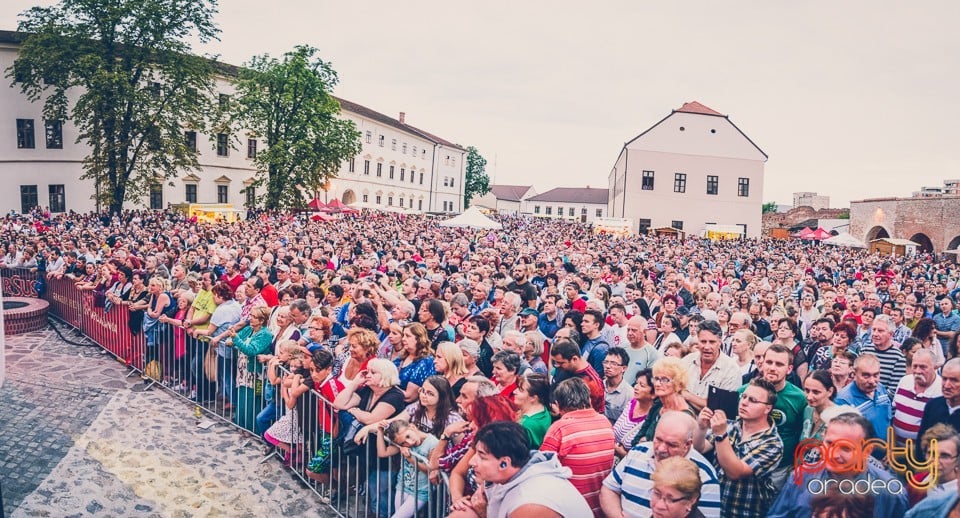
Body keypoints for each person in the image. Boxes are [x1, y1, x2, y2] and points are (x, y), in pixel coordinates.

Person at [767, 413, 907, 518]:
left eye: (845, 448)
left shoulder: (891, 491)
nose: (834, 454)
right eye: (829, 444)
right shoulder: (800, 477)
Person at [448, 421, 592, 518]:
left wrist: (486, 514)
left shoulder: (530, 503)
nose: (472, 462)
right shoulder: (504, 475)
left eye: (482, 456)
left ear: (504, 463)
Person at [601, 411, 722, 518]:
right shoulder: (638, 452)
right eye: (658, 439)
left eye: (671, 444)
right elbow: (609, 489)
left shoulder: (705, 476)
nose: (661, 448)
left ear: (688, 445)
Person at [695, 378, 784, 518]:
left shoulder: (772, 443)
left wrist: (720, 435)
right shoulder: (731, 425)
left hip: (744, 512)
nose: (744, 402)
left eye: (753, 400)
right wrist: (701, 428)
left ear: (768, 408)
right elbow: (699, 448)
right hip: (714, 507)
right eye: (744, 397)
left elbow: (735, 472)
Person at [541, 377, 615, 517]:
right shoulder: (605, 422)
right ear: (588, 399)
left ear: (557, 404)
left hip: (571, 508)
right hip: (600, 505)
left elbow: (543, 470)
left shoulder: (559, 428)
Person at [742, 343, 807, 489]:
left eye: (779, 364)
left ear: (789, 369)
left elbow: (801, 433)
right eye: (769, 362)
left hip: (781, 470)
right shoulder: (744, 393)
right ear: (762, 363)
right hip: (745, 464)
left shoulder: (799, 398)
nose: (772, 367)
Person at [376, 418, 439, 518]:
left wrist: (410, 458)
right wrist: (380, 431)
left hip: (421, 492)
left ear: (412, 427)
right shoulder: (403, 443)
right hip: (403, 485)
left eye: (408, 436)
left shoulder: (433, 443)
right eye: (403, 443)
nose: (409, 443)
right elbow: (382, 452)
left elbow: (430, 470)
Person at [634, 356, 698, 444]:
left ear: (678, 382)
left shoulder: (684, 416)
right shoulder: (658, 404)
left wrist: (645, 441)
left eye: (664, 380)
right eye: (656, 378)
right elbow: (636, 439)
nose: (657, 384)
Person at [682, 320, 741, 411]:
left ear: (720, 342)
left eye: (712, 342)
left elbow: (723, 408)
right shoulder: (687, 361)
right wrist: (706, 403)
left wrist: (688, 396)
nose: (707, 347)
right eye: (703, 341)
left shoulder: (731, 370)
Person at [835, 353, 892, 441]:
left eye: (876, 375)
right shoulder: (843, 400)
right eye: (866, 375)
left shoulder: (881, 389)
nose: (872, 381)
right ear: (854, 374)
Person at [892, 349, 942, 446]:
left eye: (923, 367)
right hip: (896, 450)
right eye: (915, 366)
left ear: (934, 367)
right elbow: (894, 411)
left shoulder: (941, 391)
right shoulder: (904, 381)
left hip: (922, 455)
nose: (918, 371)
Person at [550, 338, 605, 414]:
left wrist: (559, 411)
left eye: (561, 363)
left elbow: (587, 414)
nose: (557, 366)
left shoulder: (591, 384)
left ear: (574, 359)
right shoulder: (569, 368)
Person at [917, 358, 960, 454]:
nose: (947, 385)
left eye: (954, 380)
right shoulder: (932, 405)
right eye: (944, 379)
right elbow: (921, 443)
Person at [858, 315, 906, 398]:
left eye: (880, 331)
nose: (875, 334)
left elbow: (892, 393)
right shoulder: (865, 350)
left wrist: (867, 395)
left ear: (891, 334)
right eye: (874, 330)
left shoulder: (898, 358)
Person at [394, 322, 436, 403]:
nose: (403, 339)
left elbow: (409, 396)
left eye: (408, 336)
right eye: (403, 335)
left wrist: (386, 385)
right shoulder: (402, 357)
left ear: (419, 339)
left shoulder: (426, 361)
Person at [799, 369, 838, 443]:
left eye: (816, 392)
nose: (809, 397)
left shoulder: (838, 418)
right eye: (807, 391)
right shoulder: (807, 410)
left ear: (830, 391)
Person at [516, 373, 552, 448]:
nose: (514, 391)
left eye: (520, 390)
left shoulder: (526, 425)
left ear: (533, 398)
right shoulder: (543, 409)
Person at [624, 315, 662, 385]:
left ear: (644, 332)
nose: (629, 333)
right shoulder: (622, 348)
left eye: (634, 330)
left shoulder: (651, 353)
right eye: (628, 330)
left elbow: (651, 379)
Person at [603, 347, 634, 424]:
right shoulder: (598, 385)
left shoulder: (629, 395)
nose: (607, 366)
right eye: (606, 362)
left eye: (614, 363)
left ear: (623, 368)